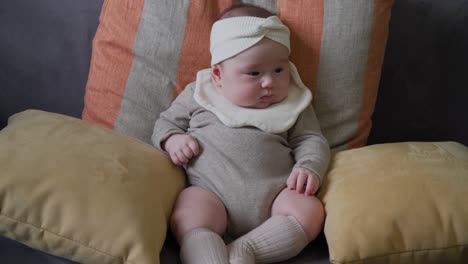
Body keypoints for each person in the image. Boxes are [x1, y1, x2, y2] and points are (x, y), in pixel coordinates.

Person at [152, 4, 330, 264]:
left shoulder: (294, 102)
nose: (268, 82)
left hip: (277, 197)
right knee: (189, 211)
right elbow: (165, 123)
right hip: (211, 193)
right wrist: (173, 140)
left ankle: (247, 251)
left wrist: (309, 167)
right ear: (218, 75)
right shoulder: (200, 94)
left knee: (310, 210)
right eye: (254, 73)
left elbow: (311, 139)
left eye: (279, 70)